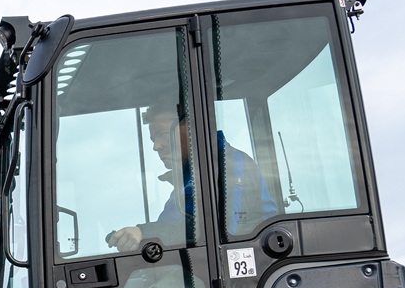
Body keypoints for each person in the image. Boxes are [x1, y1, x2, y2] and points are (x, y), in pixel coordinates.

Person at [104, 103, 279, 252]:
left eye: (163, 135)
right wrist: (137, 237)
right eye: (152, 139)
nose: (156, 146)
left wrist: (144, 232)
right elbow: (170, 228)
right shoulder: (188, 178)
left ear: (191, 130)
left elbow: (214, 231)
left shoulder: (226, 166)